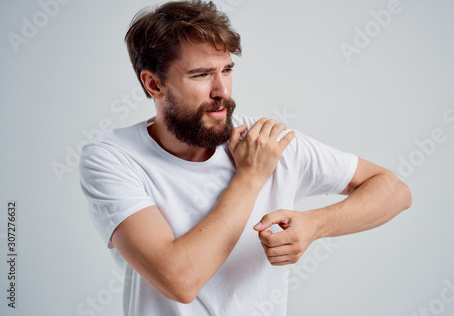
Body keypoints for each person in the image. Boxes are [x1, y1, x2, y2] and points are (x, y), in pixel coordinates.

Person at [79, 1, 412, 315]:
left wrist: (315, 225)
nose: (222, 89)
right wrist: (250, 177)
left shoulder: (264, 141)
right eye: (200, 74)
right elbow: (178, 280)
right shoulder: (113, 157)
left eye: (227, 69)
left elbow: (394, 191)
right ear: (154, 84)